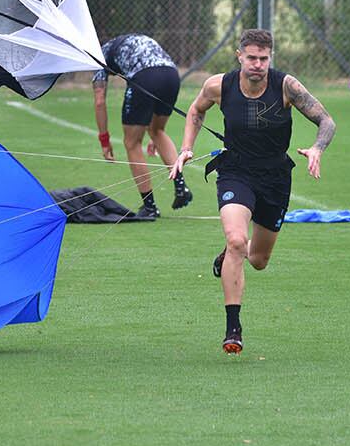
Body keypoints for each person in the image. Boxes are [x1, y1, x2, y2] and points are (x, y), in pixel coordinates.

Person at [168, 28, 336, 354]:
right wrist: (186, 148)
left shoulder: (286, 87)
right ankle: (233, 328)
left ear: (270, 58)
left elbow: (326, 121)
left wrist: (317, 148)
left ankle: (230, 255)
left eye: (264, 58)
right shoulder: (219, 85)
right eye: (252, 58)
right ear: (239, 56)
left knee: (257, 259)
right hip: (235, 171)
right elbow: (195, 111)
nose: (258, 64)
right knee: (236, 240)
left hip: (275, 177)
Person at [92, 33, 193, 219]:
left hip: (145, 76)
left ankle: (149, 207)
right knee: (156, 130)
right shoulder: (127, 40)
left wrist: (104, 140)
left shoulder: (99, 55)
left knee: (132, 143)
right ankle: (181, 187)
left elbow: (99, 101)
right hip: (171, 74)